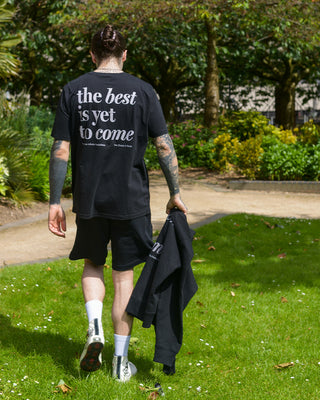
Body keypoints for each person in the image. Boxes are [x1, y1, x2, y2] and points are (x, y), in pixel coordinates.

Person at [48, 24, 187, 382]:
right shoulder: (143, 91)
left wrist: (53, 202)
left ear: (92, 54)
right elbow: (163, 146)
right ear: (124, 54)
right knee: (123, 276)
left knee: (93, 263)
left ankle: (95, 330)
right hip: (131, 200)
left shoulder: (73, 90)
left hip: (90, 201)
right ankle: (120, 363)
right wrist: (175, 193)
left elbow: (61, 149)